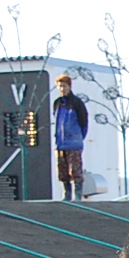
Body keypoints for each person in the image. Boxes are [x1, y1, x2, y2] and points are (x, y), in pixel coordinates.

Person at [52, 73, 88, 201]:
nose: (62, 89)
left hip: (74, 142)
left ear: (69, 86)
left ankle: (77, 194)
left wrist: (78, 137)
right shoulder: (57, 103)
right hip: (60, 143)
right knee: (62, 170)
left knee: (75, 170)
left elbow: (84, 122)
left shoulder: (77, 103)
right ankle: (66, 194)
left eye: (64, 86)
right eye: (60, 86)